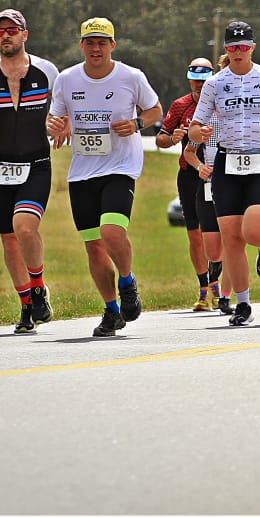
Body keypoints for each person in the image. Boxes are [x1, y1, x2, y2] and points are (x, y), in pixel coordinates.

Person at [47, 17, 162, 337]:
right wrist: (56, 125)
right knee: (93, 246)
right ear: (81, 45)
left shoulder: (130, 76)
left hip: (120, 166)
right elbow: (56, 118)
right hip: (82, 171)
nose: (95, 49)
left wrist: (137, 124)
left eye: (102, 42)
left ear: (113, 45)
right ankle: (112, 311)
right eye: (89, 42)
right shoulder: (67, 79)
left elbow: (156, 112)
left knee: (112, 233)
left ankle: (127, 281)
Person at [188, 20, 260, 326]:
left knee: (255, 231)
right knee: (233, 239)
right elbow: (196, 128)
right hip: (226, 162)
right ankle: (243, 304)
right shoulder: (214, 83)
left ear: (252, 48)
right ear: (225, 49)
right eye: (232, 47)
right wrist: (200, 133)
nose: (238, 52)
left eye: (243, 47)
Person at [0, 9, 61, 334]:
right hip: (0, 167)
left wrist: (62, 123)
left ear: (24, 35)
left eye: (12, 30)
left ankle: (38, 286)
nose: (6, 35)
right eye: (0, 31)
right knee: (8, 239)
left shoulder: (46, 71)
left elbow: (64, 107)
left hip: (36, 164)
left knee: (25, 227)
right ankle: (27, 307)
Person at [155, 56, 223, 311]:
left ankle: (217, 285)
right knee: (194, 235)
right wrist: (172, 138)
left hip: (218, 174)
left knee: (217, 233)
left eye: (203, 81)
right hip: (190, 174)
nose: (198, 86)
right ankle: (204, 288)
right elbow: (161, 138)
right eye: (194, 81)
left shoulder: (219, 102)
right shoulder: (180, 105)